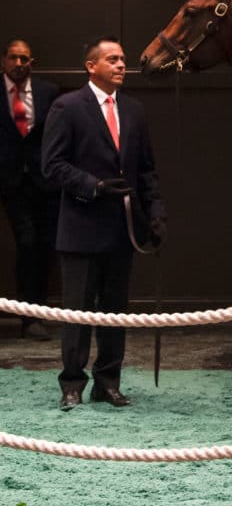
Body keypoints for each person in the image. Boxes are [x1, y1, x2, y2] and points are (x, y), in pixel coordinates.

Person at [42, 37, 166, 410]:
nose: (121, 65)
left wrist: (157, 212)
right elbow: (52, 165)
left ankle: (108, 382)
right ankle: (72, 384)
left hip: (121, 230)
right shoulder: (67, 107)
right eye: (112, 59)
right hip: (80, 228)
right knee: (77, 312)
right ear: (91, 66)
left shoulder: (134, 110)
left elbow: (146, 170)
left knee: (114, 313)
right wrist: (92, 186)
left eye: (123, 59)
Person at [0, 39, 61, 340]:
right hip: (8, 182)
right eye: (14, 57)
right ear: (3, 61)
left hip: (43, 182)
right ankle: (26, 316)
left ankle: (35, 315)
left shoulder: (48, 92)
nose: (19, 63)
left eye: (25, 58)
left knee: (43, 248)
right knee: (26, 244)